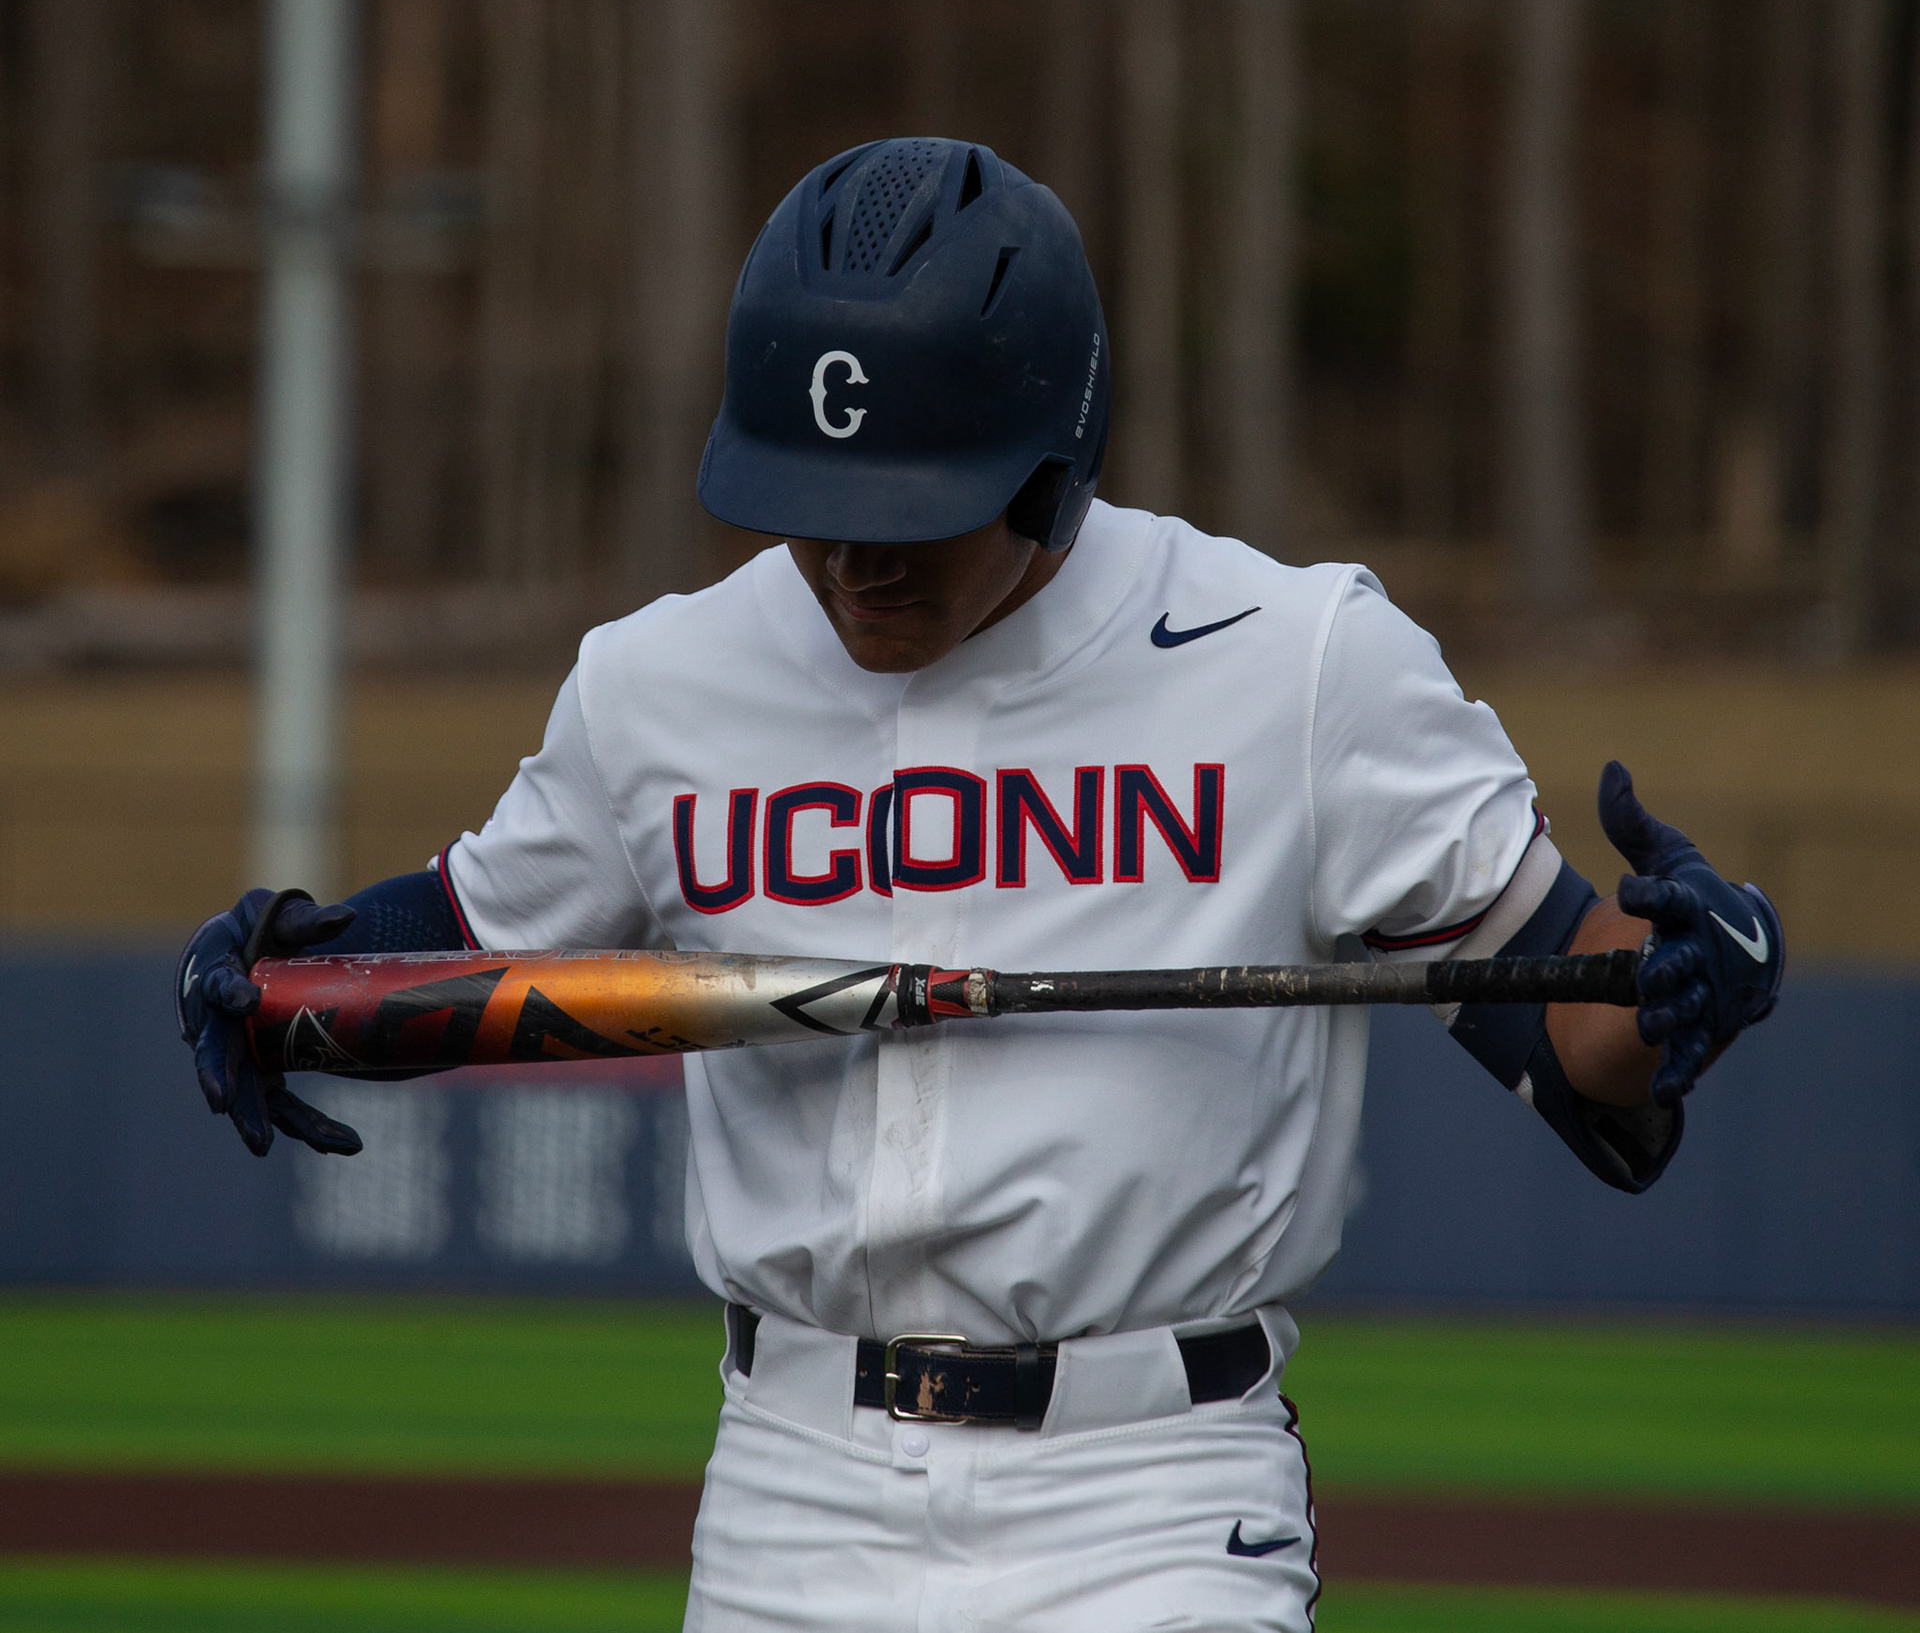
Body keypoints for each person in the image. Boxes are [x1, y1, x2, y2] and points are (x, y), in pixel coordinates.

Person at [177, 138, 1783, 1631]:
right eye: (812, 513)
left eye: (909, 516)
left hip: (1152, 1493)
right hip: (786, 1490)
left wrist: (1688, 975)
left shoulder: (1298, 663)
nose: (856, 563)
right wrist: (286, 981)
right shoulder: (660, 681)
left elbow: (1568, 1023)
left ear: (1051, 466)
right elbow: (461, 941)